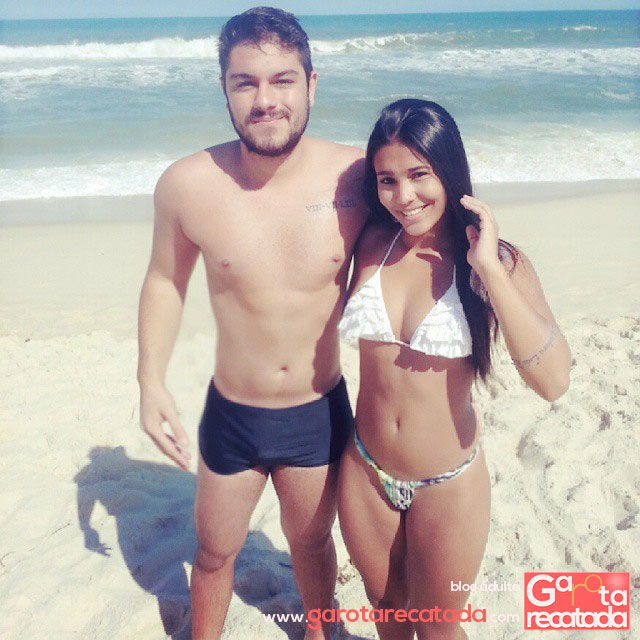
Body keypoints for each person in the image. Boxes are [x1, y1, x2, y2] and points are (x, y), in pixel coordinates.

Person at [136, 7, 367, 640]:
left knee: (311, 543)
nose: (265, 100)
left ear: (311, 84)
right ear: (225, 89)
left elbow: (421, 228)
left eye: (282, 80)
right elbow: (164, 280)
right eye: (246, 82)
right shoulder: (187, 185)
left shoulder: (356, 177)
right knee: (214, 552)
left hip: (317, 411)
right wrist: (149, 380)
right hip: (233, 415)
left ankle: (319, 631)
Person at [337, 99, 571, 640]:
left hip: (447, 485)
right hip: (365, 470)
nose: (404, 196)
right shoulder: (371, 241)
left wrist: (488, 269)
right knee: (388, 611)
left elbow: (554, 381)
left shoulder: (499, 262)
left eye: (419, 174)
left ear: (449, 170)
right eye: (388, 180)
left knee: (438, 627)